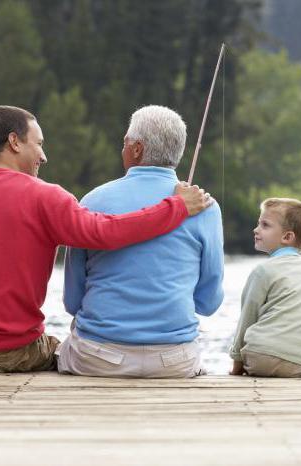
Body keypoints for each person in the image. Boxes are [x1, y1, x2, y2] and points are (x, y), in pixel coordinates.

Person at [0, 105, 213, 373]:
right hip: (6, 352)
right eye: (39, 144)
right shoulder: (44, 196)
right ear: (14, 142)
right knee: (56, 350)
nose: (44, 155)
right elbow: (103, 232)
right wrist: (176, 207)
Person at [57, 105, 224, 378]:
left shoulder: (92, 201)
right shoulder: (206, 207)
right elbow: (208, 303)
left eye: (124, 142)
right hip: (174, 361)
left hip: (98, 359)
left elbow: (72, 301)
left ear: (136, 149)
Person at [228, 197, 301, 377]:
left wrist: (237, 364)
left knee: (257, 346)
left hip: (262, 358)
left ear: (287, 237)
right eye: (258, 223)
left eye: (265, 225)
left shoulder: (263, 270)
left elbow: (248, 317)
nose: (256, 229)